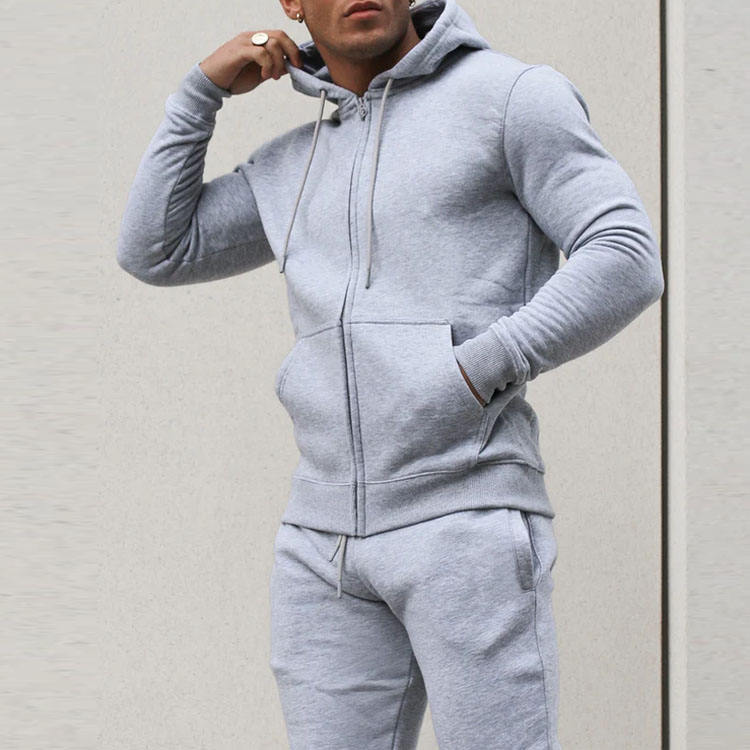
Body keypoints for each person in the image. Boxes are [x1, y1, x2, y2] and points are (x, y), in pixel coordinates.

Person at [116, 0, 664, 746]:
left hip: (464, 517)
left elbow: (625, 254)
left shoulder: (511, 97)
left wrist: (474, 372)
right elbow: (156, 249)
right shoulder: (297, 159)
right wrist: (199, 93)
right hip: (322, 543)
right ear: (291, 4)